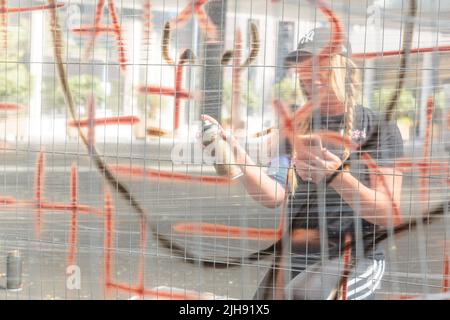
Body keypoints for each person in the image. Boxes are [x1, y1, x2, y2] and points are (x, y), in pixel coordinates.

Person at [201, 27, 404, 300]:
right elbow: (274, 194)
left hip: (356, 258)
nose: (309, 73)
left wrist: (337, 177)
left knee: (306, 295)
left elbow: (388, 213)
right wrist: (238, 156)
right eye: (304, 65)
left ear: (342, 67)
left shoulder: (379, 128)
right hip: (297, 255)